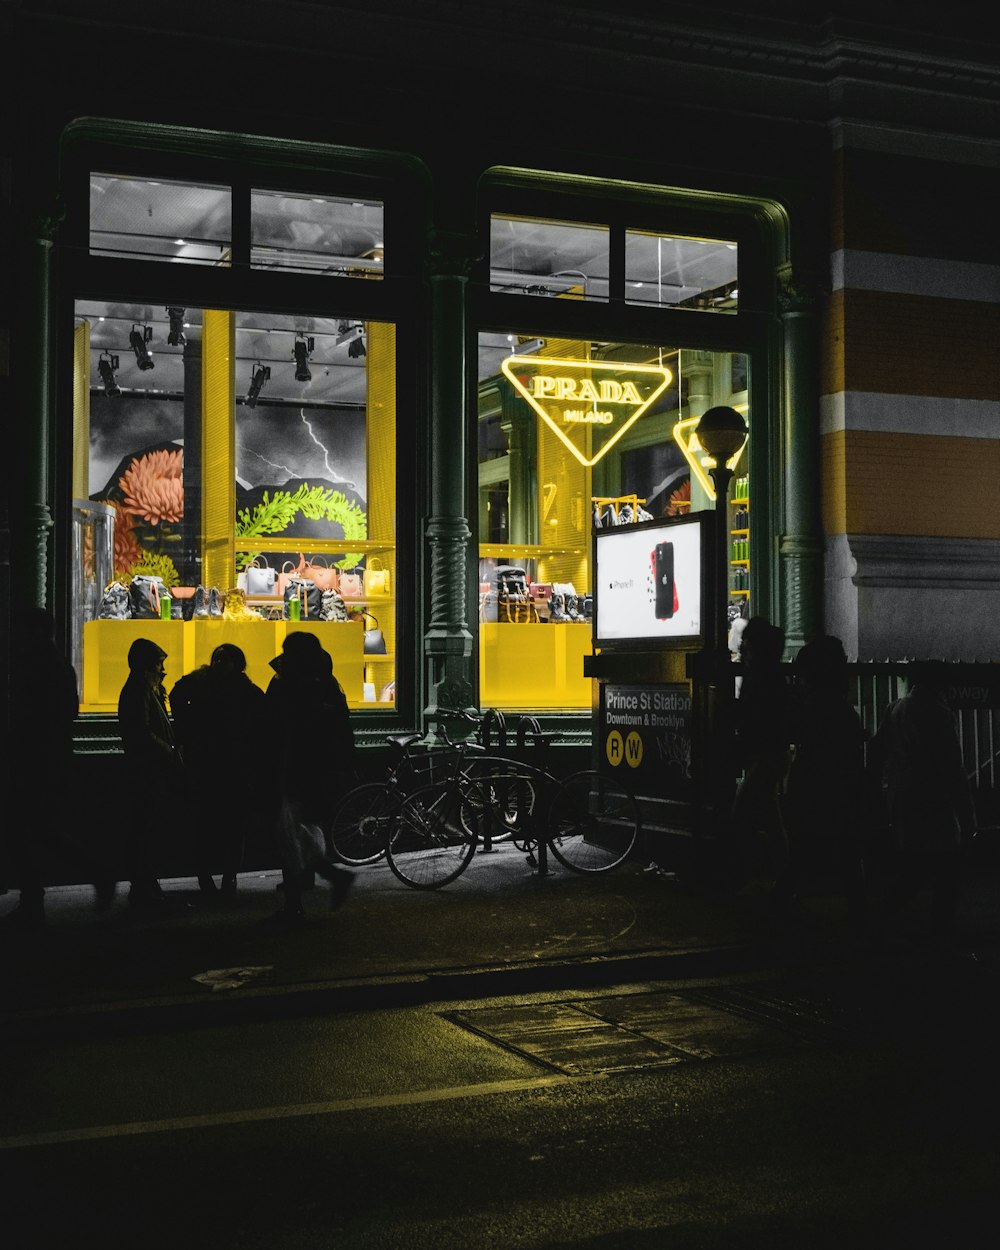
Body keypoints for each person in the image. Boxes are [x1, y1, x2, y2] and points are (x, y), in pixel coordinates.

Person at [1, 608, 113, 928]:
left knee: (28, 830)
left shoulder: (37, 666)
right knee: (34, 829)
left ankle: (89, 875)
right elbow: (68, 713)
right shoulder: (57, 664)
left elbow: (33, 716)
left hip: (35, 760)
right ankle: (83, 878)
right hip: (49, 758)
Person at [866, 660, 976, 952]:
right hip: (934, 798)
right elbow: (953, 768)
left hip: (902, 797)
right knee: (945, 866)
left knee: (915, 863)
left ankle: (885, 918)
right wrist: (967, 817)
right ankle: (939, 929)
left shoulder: (895, 709)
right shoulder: (940, 714)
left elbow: (877, 752)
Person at [264, 631, 357, 927]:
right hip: (318, 770)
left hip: (291, 769)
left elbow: (275, 725)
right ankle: (323, 880)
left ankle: (298, 902)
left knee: (288, 834)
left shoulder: (288, 683)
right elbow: (342, 728)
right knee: (301, 831)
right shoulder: (326, 684)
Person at [779, 634, 868, 930]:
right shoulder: (835, 705)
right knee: (846, 853)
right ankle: (857, 915)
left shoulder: (809, 703)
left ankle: (780, 909)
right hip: (836, 786)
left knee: (805, 851)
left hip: (810, 784)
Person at [170, 643, 266, 898]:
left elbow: (177, 695)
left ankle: (220, 874)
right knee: (224, 824)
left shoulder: (206, 682)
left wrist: (187, 724)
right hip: (225, 765)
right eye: (218, 660)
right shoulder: (242, 689)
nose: (220, 664)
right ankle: (222, 874)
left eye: (225, 660)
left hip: (217, 764)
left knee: (218, 823)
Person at [117, 637, 184, 908]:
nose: (162, 670)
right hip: (148, 770)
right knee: (145, 829)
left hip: (150, 768)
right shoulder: (139, 690)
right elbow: (141, 731)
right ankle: (144, 887)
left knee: (146, 829)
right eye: (158, 664)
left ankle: (146, 885)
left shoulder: (145, 688)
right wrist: (167, 750)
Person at [727, 616, 792, 893]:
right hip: (771, 755)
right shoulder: (771, 676)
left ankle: (758, 874)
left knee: (741, 815)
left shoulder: (761, 679)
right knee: (770, 816)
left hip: (765, 756)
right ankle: (782, 875)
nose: (743, 650)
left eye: (747, 646)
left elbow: (752, 717)